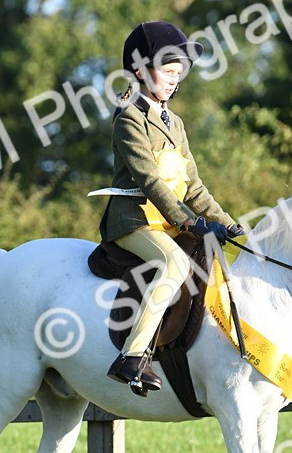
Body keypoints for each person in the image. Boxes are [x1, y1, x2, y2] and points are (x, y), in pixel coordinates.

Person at [95, 21, 244, 394]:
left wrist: (228, 224)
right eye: (168, 71)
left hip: (172, 222)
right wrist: (192, 223)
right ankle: (132, 356)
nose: (175, 80)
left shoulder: (174, 122)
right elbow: (151, 182)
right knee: (175, 264)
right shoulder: (129, 118)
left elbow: (193, 184)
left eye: (180, 73)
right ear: (140, 71)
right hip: (135, 222)